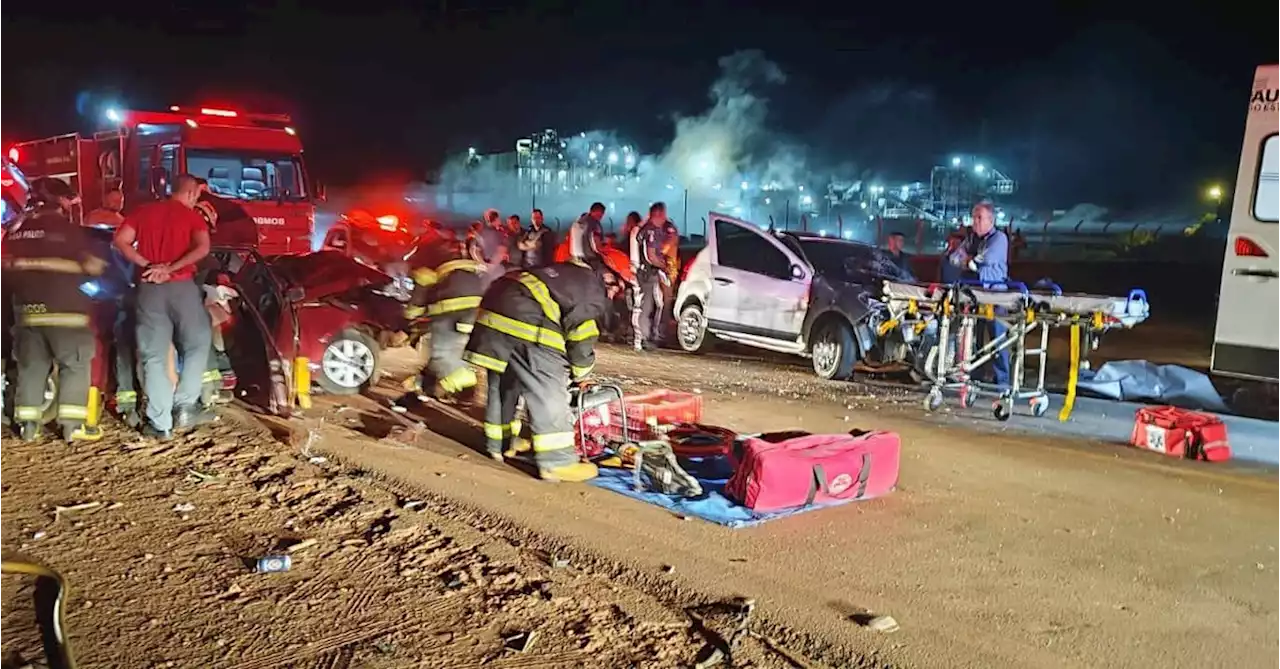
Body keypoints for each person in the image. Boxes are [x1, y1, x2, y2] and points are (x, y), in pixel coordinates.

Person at [463, 260, 622, 482]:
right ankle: (557, 462)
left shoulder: (563, 276)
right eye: (618, 289)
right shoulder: (591, 291)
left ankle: (499, 444)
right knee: (549, 388)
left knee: (504, 383)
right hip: (526, 318)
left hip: (493, 310)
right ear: (610, 280)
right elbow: (581, 338)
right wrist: (582, 374)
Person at [3, 178, 106, 442]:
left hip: (26, 312)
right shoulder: (67, 230)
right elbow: (93, 264)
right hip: (66, 313)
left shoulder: (16, 230)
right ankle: (72, 426)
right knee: (75, 364)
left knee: (31, 367)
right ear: (60, 201)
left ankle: (27, 424)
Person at [113, 174, 214, 439]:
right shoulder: (192, 217)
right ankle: (185, 406)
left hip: (149, 290)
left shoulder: (143, 212)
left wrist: (148, 265)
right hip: (182, 288)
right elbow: (203, 248)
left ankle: (160, 424)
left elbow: (121, 241)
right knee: (198, 342)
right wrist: (171, 268)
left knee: (154, 355)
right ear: (192, 193)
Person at [401, 242, 487, 401]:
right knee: (449, 355)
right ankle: (441, 387)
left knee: (442, 354)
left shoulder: (429, 274)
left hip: (448, 320)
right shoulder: (470, 273)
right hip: (470, 322)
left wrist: (408, 319)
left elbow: (415, 308)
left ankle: (450, 385)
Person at [953, 201, 1011, 386]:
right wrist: (968, 261)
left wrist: (969, 261)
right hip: (973, 295)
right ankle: (973, 376)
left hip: (994, 295)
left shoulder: (999, 238)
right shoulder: (971, 239)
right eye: (974, 217)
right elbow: (955, 258)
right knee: (972, 338)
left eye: (979, 218)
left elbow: (985, 259)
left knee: (997, 340)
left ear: (990, 220)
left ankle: (1002, 381)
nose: (975, 222)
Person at [630, 202, 674, 351]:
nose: (664, 218)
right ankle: (641, 338)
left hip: (648, 272)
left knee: (656, 303)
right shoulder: (652, 231)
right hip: (647, 273)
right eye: (663, 214)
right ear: (658, 214)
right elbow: (651, 256)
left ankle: (649, 336)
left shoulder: (644, 229)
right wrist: (663, 266)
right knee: (645, 306)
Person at [568, 202, 606, 266]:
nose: (600, 217)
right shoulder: (593, 223)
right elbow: (597, 244)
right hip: (590, 257)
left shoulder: (580, 221)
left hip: (576, 255)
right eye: (600, 215)